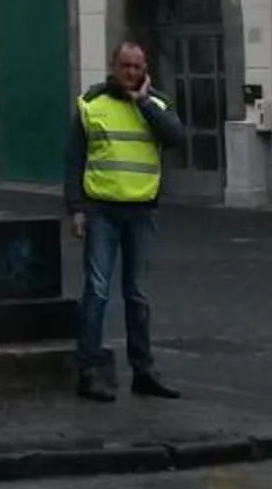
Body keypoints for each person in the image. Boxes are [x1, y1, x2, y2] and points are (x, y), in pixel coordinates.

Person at [64, 40, 187, 402]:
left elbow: (176, 137)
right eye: (125, 66)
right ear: (113, 67)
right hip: (101, 209)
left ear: (146, 69)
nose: (131, 73)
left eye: (137, 67)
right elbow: (74, 160)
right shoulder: (90, 105)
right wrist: (76, 209)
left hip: (141, 211)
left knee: (138, 294)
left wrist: (144, 103)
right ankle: (89, 370)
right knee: (97, 292)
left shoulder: (157, 105)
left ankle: (143, 371)